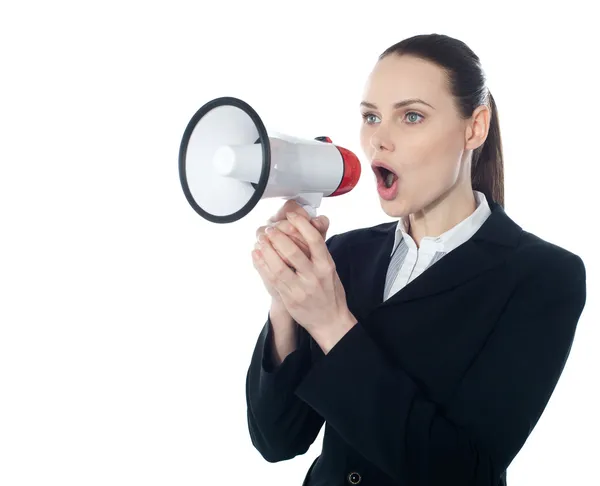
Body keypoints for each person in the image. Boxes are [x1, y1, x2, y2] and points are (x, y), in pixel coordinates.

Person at [245, 33, 587, 486]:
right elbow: (277, 440)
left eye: (411, 116)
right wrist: (285, 301)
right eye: (371, 117)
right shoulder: (344, 254)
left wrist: (331, 323)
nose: (377, 141)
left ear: (474, 127)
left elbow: (466, 472)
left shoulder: (543, 276)